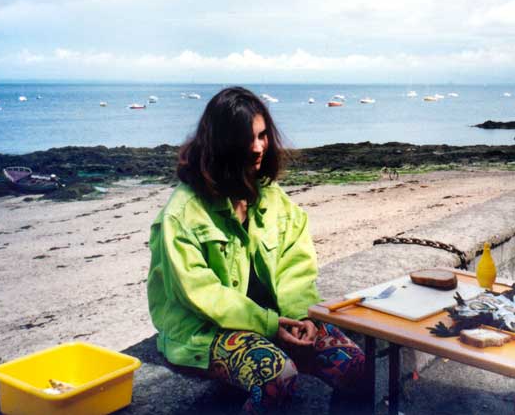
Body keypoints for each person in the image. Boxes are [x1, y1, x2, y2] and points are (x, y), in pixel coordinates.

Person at [147, 87, 365, 413]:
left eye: (263, 136)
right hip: (204, 331)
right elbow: (199, 293)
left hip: (274, 320)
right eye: (246, 140)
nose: (258, 147)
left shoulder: (271, 197)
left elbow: (296, 264)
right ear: (220, 144)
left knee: (353, 363)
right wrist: (268, 324)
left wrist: (301, 316)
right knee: (278, 375)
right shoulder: (182, 213)